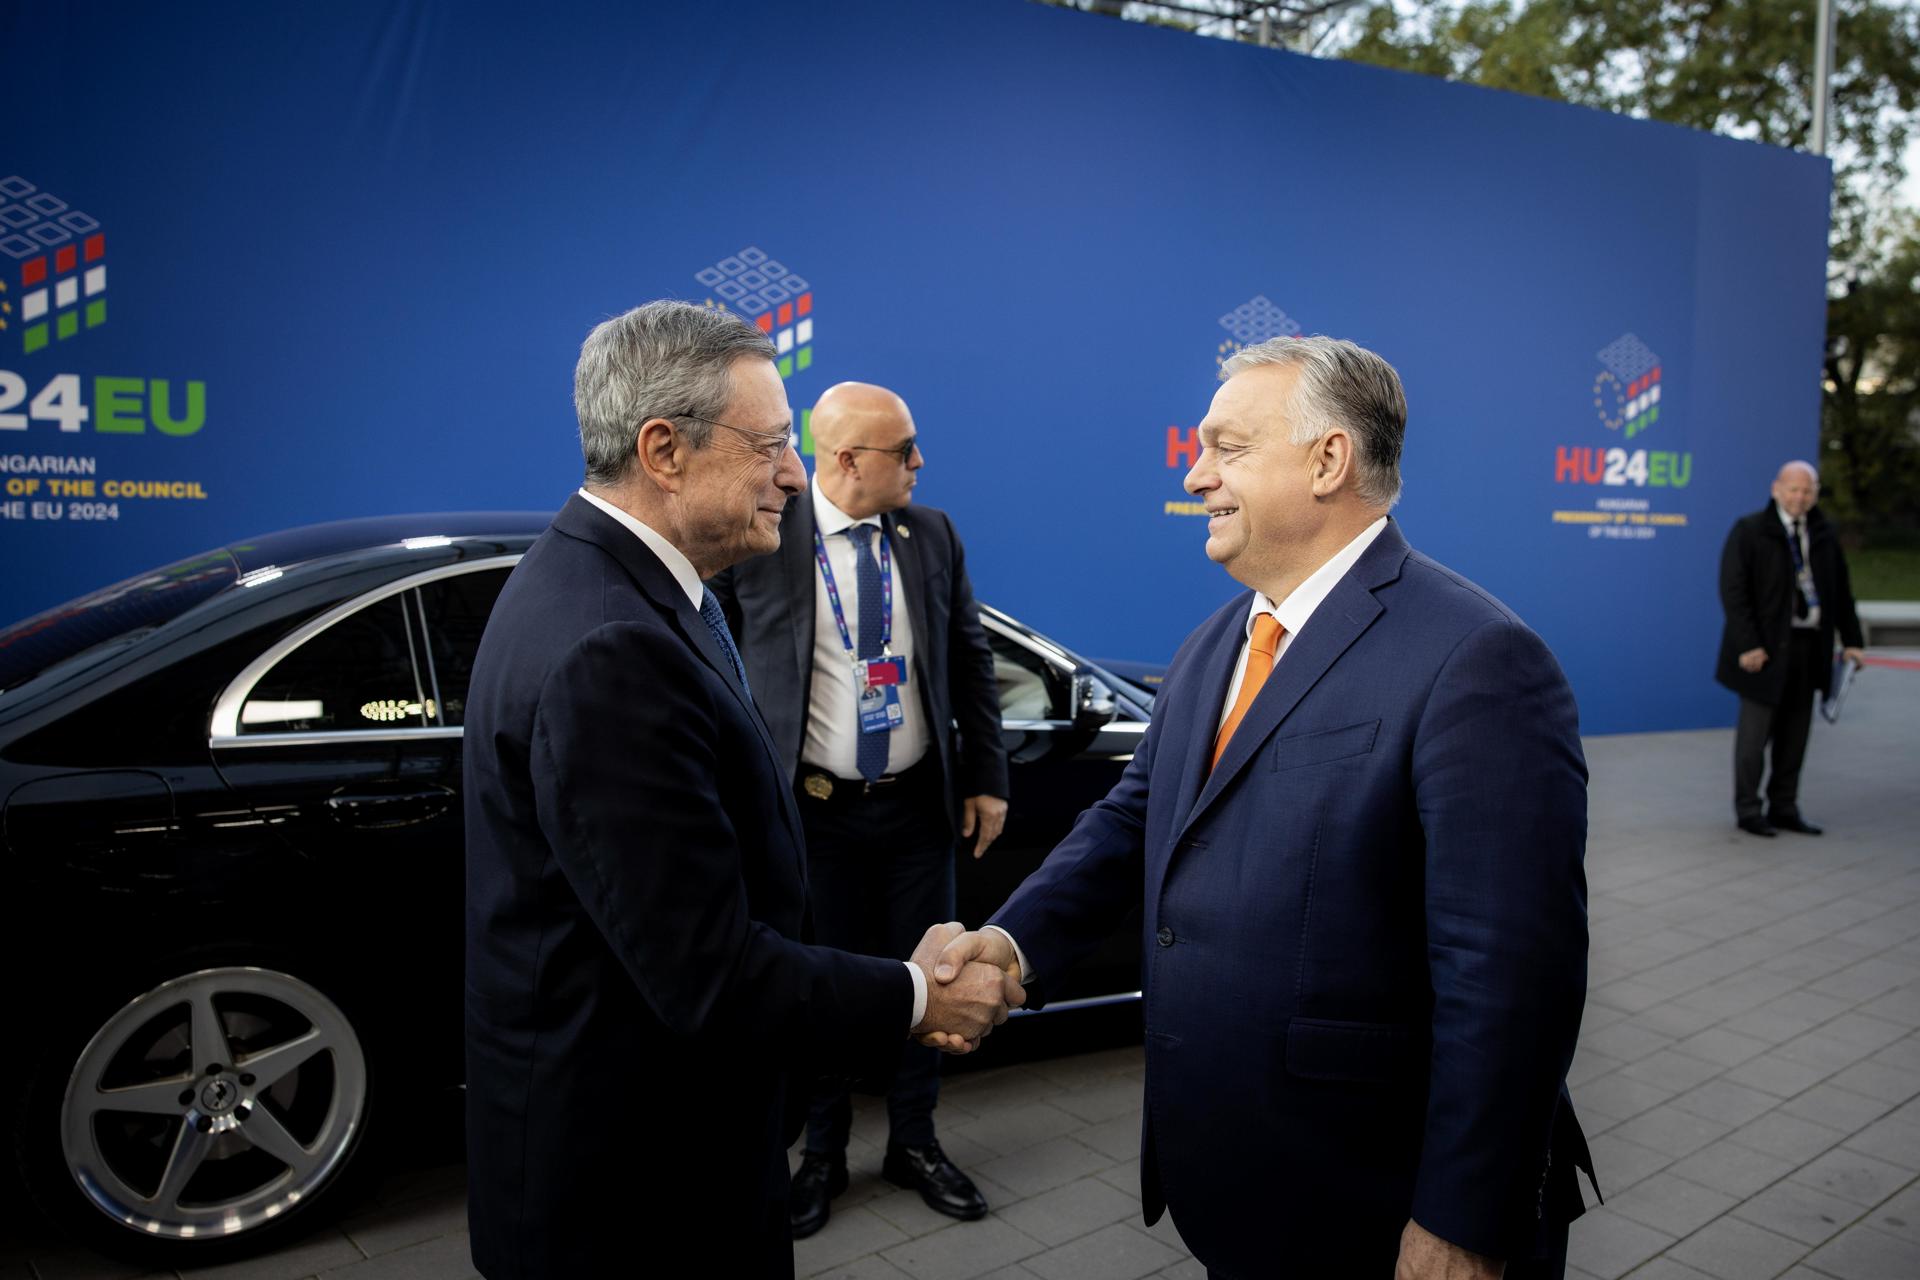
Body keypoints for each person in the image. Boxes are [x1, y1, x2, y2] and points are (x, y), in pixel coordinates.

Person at [930, 336, 1594, 1279]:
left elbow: (1511, 976)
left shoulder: (1477, 660)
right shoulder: (1216, 643)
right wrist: (1010, 943)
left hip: (1386, 1202)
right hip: (1239, 1183)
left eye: (1227, 447)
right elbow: (1132, 821)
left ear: (1329, 460)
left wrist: (1463, 1220)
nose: (1196, 474)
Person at [462, 301, 1019, 1279]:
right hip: (639, 1201)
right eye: (770, 445)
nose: (795, 473)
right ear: (663, 448)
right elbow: (710, 976)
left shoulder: (617, 591)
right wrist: (918, 989)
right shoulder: (612, 645)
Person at [708, 381, 1010, 1238]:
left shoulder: (931, 534)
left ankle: (914, 1142)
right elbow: (719, 672)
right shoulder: (766, 535)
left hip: (918, 809)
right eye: (903, 450)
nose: (920, 463)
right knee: (823, 987)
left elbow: (970, 657)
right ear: (845, 460)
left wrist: (986, 776)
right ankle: (824, 1156)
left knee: (936, 976)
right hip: (814, 819)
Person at [1715, 460, 1866, 836]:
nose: (1800, 497)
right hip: (1764, 653)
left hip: (1809, 649)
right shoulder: (1751, 531)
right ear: (1776, 489)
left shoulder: (1824, 534)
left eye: (1808, 490)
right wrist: (1749, 644)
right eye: (1794, 489)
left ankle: (1785, 806)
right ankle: (1749, 809)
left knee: (1796, 736)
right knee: (1754, 739)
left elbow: (1841, 593)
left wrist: (1852, 641)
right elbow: (1734, 593)